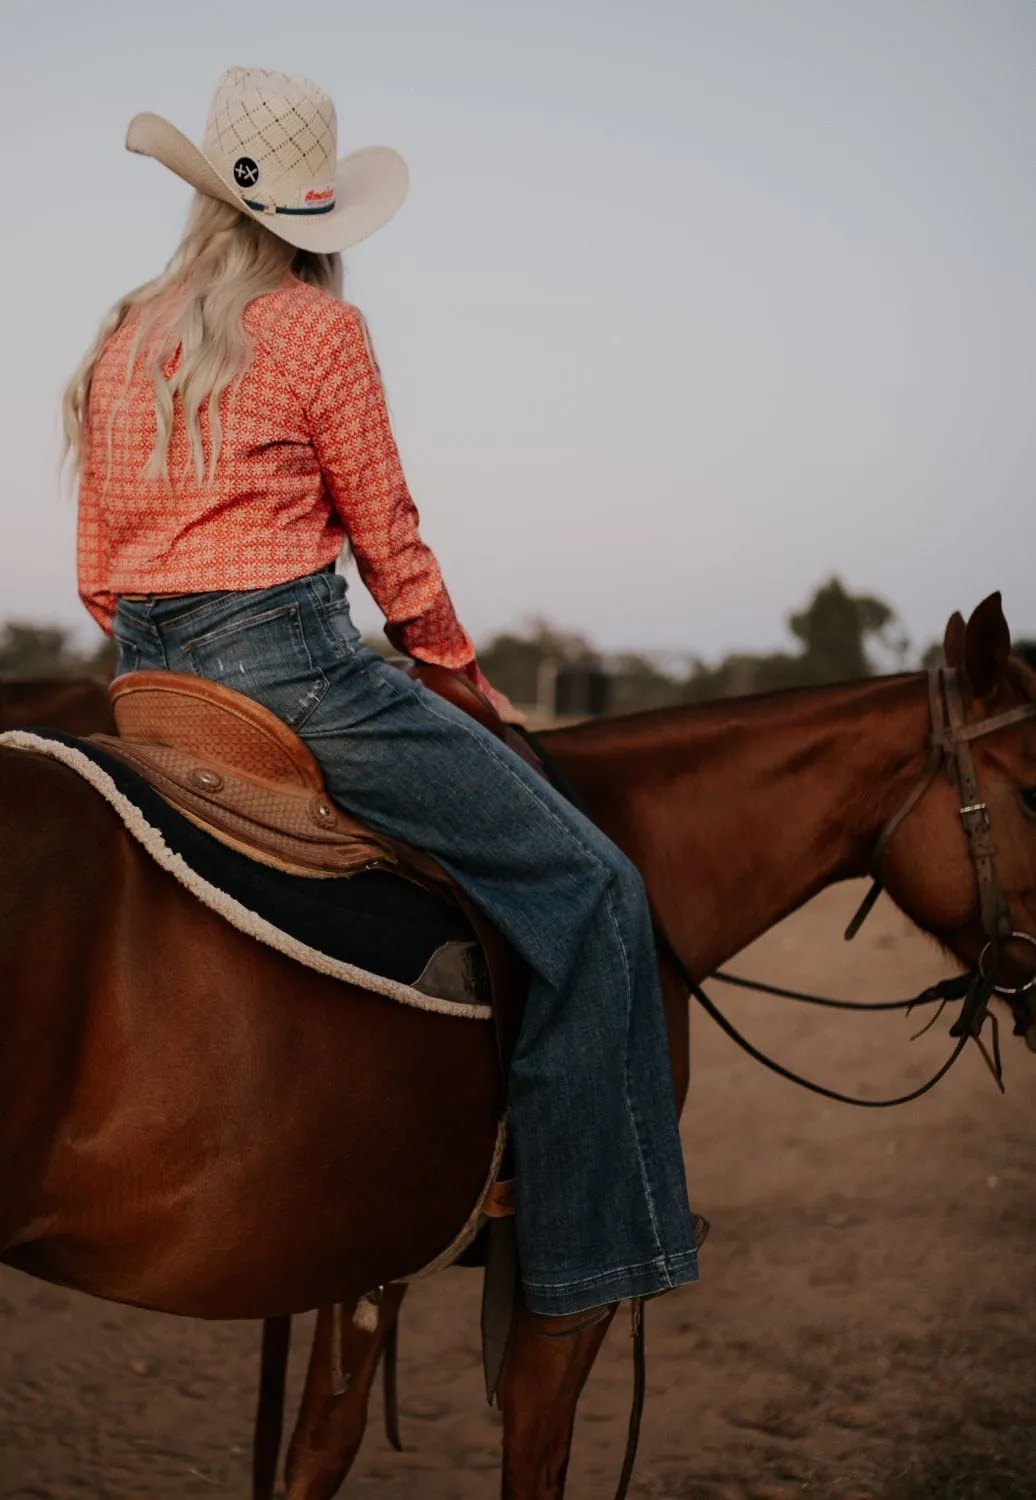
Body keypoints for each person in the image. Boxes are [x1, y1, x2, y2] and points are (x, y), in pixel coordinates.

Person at [65, 67, 701, 1321]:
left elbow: (96, 573)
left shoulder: (124, 332)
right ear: (315, 218)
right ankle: (587, 1254)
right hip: (293, 671)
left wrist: (169, 655)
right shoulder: (317, 328)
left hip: (146, 683)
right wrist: (462, 681)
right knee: (590, 891)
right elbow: (389, 543)